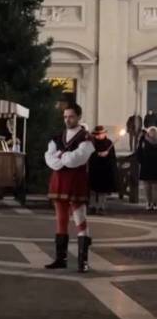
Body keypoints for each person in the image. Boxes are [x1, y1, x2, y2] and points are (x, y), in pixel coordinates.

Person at [44, 104, 95, 272]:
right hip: (59, 181)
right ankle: (61, 259)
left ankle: (83, 261)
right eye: (65, 117)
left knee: (80, 219)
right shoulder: (57, 137)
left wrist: (62, 157)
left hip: (76, 182)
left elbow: (78, 158)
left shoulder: (86, 137)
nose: (67, 119)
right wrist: (62, 159)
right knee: (61, 220)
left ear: (79, 117)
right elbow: (49, 158)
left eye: (71, 116)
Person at [88, 126, 117, 215]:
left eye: (100, 134)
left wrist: (107, 155)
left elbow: (113, 157)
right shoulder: (91, 143)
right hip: (94, 169)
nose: (99, 136)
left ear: (104, 133)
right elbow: (88, 155)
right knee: (92, 190)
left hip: (105, 170)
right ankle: (92, 206)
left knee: (102, 191)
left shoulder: (109, 143)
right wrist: (97, 154)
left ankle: (101, 207)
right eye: (97, 134)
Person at [136, 126, 157, 210]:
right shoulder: (143, 140)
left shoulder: (144, 140)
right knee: (147, 186)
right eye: (151, 132)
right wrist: (141, 161)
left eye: (154, 132)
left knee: (155, 186)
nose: (152, 134)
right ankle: (149, 202)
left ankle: (155, 203)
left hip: (154, 166)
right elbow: (139, 152)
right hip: (146, 165)